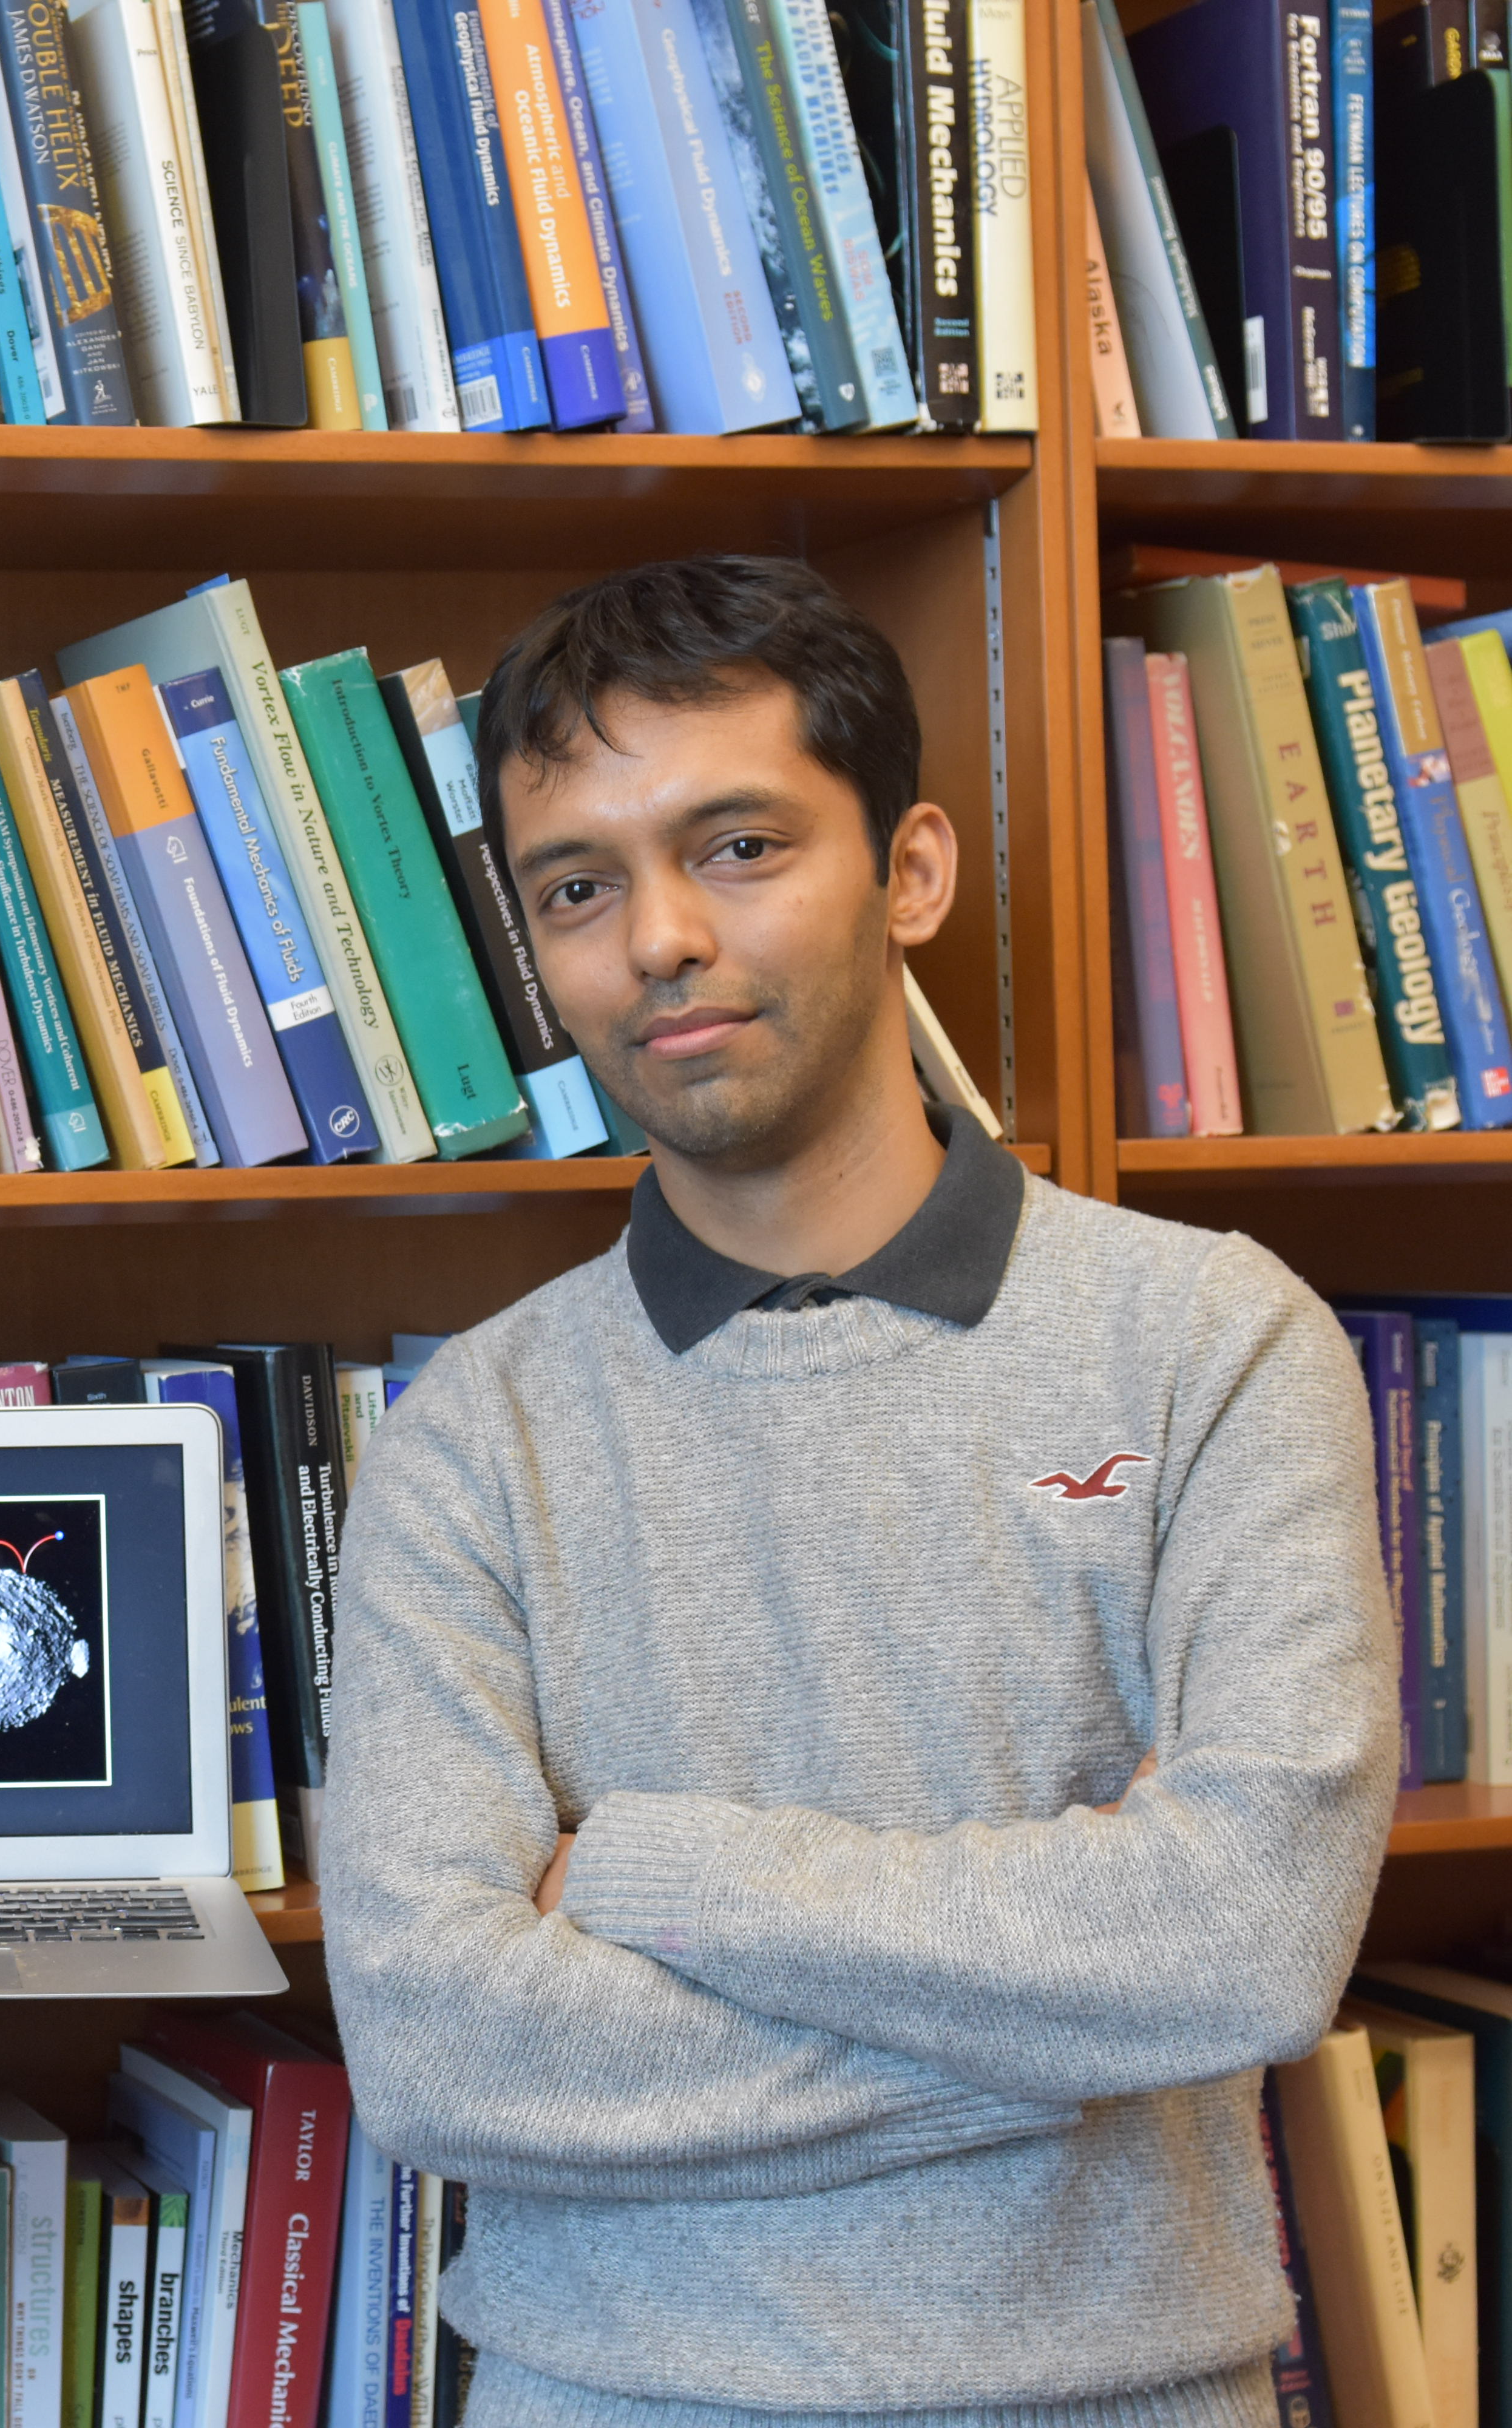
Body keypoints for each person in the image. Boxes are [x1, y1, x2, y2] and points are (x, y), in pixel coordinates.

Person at [320, 555, 1394, 2427]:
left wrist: (654, 1876)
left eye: (738, 847)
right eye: (579, 887)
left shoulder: (1213, 1343)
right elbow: (442, 2050)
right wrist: (1070, 2023)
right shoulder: (470, 1437)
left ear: (910, 871)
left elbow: (1245, 1938)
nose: (659, 939)